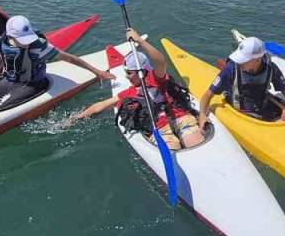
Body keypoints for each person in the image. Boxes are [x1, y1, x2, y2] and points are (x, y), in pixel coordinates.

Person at [75, 28, 204, 150]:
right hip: (160, 130)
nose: (126, 76)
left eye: (129, 73)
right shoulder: (130, 93)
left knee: (195, 143)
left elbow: (160, 61)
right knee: (172, 148)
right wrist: (76, 118)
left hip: (180, 117)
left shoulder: (156, 78)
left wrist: (140, 41)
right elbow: (100, 106)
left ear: (141, 71)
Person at [0, 15, 113, 110]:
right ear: (10, 36)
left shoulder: (38, 46)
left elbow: (70, 58)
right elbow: (4, 59)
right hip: (11, 80)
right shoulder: (2, 41)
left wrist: (97, 72)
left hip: (33, 84)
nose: (27, 43)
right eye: (22, 40)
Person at [198, 36, 285, 129]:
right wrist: (202, 115)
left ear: (257, 59)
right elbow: (208, 94)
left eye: (243, 60)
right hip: (238, 111)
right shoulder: (231, 69)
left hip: (260, 108)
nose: (239, 63)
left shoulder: (271, 68)